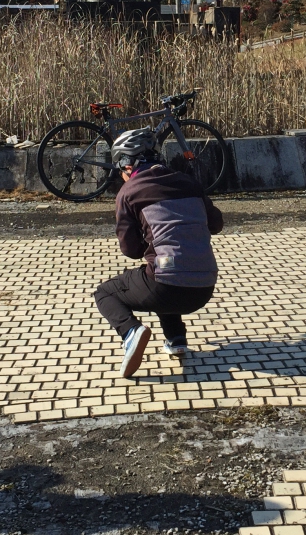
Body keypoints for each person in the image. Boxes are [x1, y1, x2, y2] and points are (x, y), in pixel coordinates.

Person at [93, 128, 224, 379]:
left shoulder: (129, 192)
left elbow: (130, 250)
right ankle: (176, 338)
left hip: (165, 286)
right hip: (205, 286)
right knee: (162, 269)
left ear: (127, 165)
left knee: (106, 293)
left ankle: (131, 332)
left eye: (120, 170)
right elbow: (216, 224)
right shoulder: (189, 183)